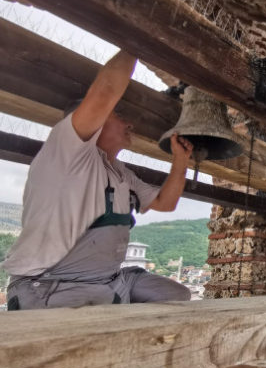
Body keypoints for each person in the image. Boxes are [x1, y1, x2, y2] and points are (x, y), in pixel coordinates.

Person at [2, 50, 194, 310]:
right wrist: (138, 41)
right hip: (51, 283)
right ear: (96, 120)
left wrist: (181, 161)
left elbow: (164, 202)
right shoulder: (68, 152)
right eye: (118, 115)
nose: (129, 123)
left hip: (109, 280)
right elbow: (104, 93)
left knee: (177, 296)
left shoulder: (121, 173)